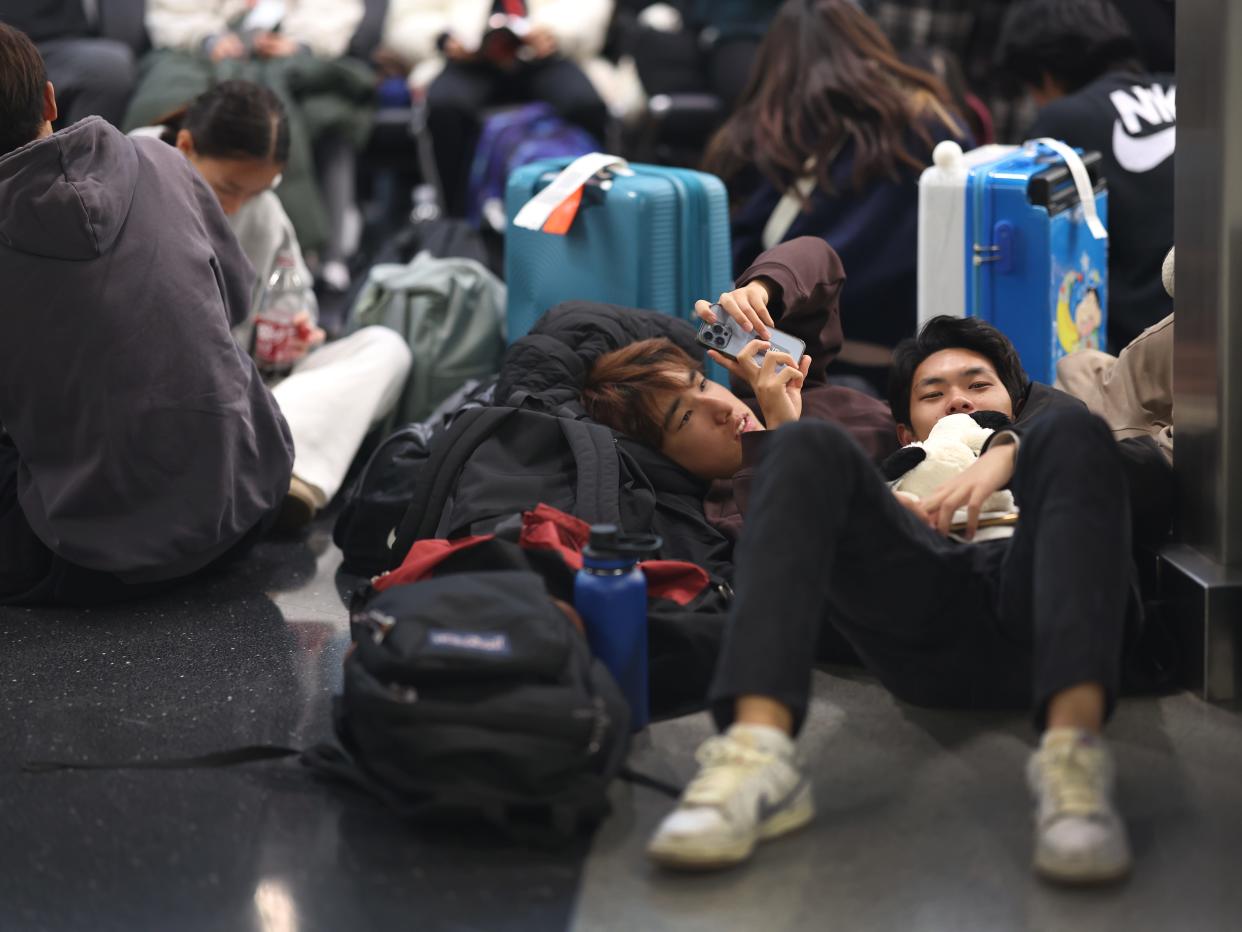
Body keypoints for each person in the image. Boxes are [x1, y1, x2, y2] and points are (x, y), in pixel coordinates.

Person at [638, 307, 1142, 885]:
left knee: (1077, 427)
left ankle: (1076, 766)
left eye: (978, 385)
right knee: (804, 443)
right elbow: (790, 568)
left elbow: (1141, 473)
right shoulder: (895, 470)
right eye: (934, 393)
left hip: (1046, 600)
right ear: (906, 431)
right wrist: (881, 513)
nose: (957, 400)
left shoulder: (1055, 440)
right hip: (926, 608)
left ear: (1016, 403)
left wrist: (1008, 452)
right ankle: (756, 755)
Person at [0, 25, 292, 605]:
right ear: (52, 100)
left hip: (91, 562)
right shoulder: (162, 159)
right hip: (246, 509)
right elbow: (232, 301)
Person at [140, 81, 413, 527]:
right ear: (186, 146)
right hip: (174, 401)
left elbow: (289, 299)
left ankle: (281, 474)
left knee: (385, 348)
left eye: (261, 188)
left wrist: (300, 334)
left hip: (248, 398)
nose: (240, 204)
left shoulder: (261, 206)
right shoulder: (129, 181)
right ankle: (267, 468)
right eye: (229, 186)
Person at [702, 0, 971, 395]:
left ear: (773, 57)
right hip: (916, 352)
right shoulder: (932, 122)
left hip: (796, 364)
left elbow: (732, 251)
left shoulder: (756, 134)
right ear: (869, 41)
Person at [123, 0, 373, 289]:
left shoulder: (265, 212)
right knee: (165, 100)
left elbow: (333, 12)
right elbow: (173, 13)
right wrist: (207, 38)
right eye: (233, 191)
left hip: (289, 51)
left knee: (330, 114)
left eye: (254, 192)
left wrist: (300, 43)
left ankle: (327, 254)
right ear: (185, 144)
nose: (236, 205)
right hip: (200, 50)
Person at [998, 0, 1174, 353]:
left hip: (1141, 350)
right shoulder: (1183, 88)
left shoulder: (1063, 121)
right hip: (1214, 317)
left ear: (1044, 74)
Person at [382, 0, 612, 217]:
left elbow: (589, 9)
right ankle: (456, 223)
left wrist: (555, 33)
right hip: (466, 60)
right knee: (445, 109)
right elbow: (406, 20)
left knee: (585, 104)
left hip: (546, 56)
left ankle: (596, 211)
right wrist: (443, 38)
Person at [0, 1, 135, 128]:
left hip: (75, 44)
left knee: (109, 66)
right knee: (108, 65)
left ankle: (84, 149)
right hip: (14, 49)